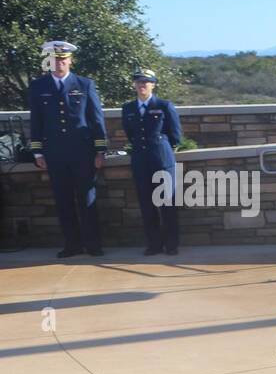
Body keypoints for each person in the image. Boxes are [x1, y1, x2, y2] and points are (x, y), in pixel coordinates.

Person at [27, 41, 107, 258]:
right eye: (55, 59)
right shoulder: (38, 87)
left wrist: (100, 150)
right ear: (49, 61)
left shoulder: (85, 84)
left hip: (83, 152)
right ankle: (72, 245)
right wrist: (38, 152)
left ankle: (93, 244)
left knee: (87, 199)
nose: (59, 63)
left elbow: (96, 120)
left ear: (70, 60)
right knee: (63, 201)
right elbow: (36, 121)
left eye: (63, 59)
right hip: (55, 154)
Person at [122, 69, 183, 255]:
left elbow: (175, 135)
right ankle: (154, 244)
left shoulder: (164, 105)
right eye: (139, 82)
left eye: (146, 82)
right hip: (141, 162)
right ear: (134, 85)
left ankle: (171, 244)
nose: (142, 85)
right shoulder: (129, 108)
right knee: (147, 206)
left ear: (153, 84)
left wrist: (162, 151)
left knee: (167, 204)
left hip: (162, 161)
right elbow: (131, 134)